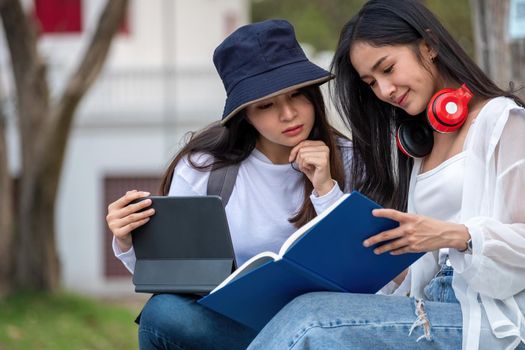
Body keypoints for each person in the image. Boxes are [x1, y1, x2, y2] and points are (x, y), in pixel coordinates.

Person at [247, 1, 525, 349]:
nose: (384, 90)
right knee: (309, 307)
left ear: (429, 45)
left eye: (388, 69)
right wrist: (327, 193)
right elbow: (416, 274)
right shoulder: (420, 146)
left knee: (313, 319)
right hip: (434, 306)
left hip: (492, 320)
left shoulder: (502, 121)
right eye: (371, 82)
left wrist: (456, 235)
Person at [105, 19, 352, 350]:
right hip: (241, 331)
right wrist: (126, 239)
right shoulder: (204, 168)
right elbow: (175, 272)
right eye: (266, 105)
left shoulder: (349, 158)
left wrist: (326, 190)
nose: (289, 114)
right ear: (245, 114)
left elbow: (368, 272)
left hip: (327, 330)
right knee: (162, 314)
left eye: (297, 95)